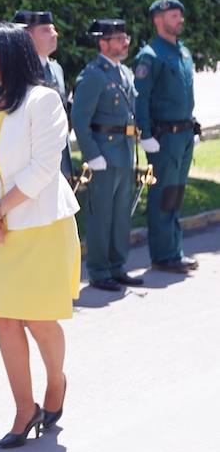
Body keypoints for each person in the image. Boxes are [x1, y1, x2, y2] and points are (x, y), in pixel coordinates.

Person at [0, 22, 79, 448]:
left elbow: (42, 169)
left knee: (38, 317)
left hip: (41, 225)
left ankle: (57, 381)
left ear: (9, 55)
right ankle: (24, 408)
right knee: (6, 320)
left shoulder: (44, 99)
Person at [72, 19, 144, 291]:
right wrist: (92, 154)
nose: (125, 42)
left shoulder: (123, 72)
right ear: (103, 43)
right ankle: (99, 270)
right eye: (119, 38)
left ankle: (118, 265)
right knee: (101, 215)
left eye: (125, 37)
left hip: (124, 153)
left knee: (120, 214)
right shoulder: (93, 74)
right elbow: (79, 119)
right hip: (104, 153)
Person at [134, 0, 198, 274]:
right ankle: (163, 254)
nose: (180, 20)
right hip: (163, 137)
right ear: (158, 20)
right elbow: (141, 99)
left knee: (176, 193)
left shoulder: (182, 52)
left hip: (183, 134)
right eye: (174, 16)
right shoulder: (150, 55)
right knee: (163, 194)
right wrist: (145, 134)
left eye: (180, 16)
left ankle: (175, 250)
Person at [13, 10, 72, 179]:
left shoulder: (56, 69)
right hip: (31, 159)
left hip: (58, 157)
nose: (55, 34)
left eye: (53, 29)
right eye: (46, 30)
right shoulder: (18, 70)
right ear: (28, 37)